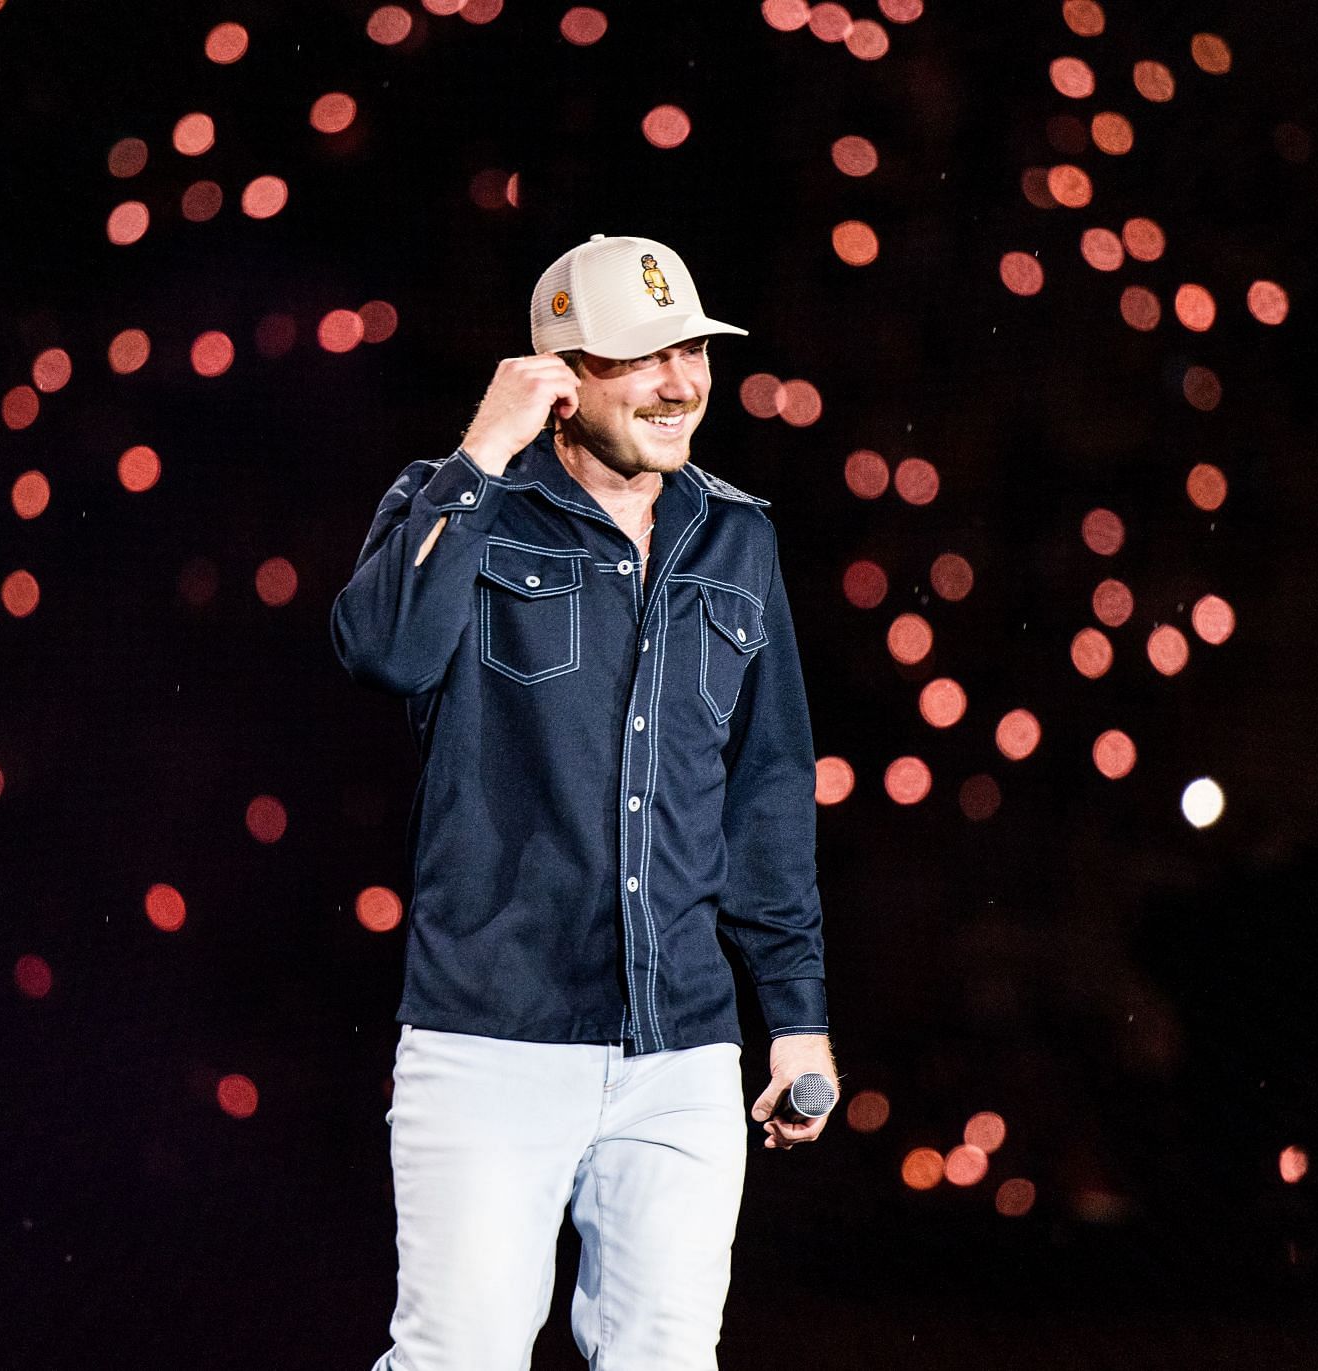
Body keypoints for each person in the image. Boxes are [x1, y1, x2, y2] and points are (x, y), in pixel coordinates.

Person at [330, 233, 836, 1371]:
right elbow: (382, 653)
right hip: (489, 1039)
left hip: (684, 1053)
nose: (681, 383)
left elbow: (767, 784)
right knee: (455, 1356)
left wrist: (794, 1013)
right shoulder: (458, 508)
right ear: (559, 375)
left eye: (693, 350)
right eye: (643, 357)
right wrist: (482, 453)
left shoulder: (736, 534)